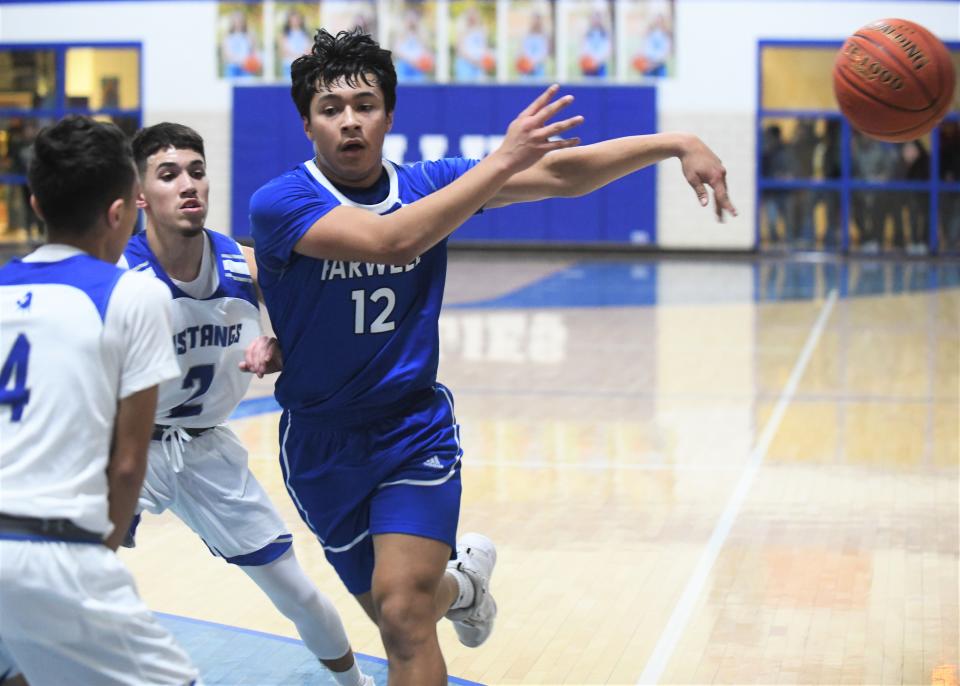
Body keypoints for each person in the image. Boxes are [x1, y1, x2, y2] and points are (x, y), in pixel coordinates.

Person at [248, 28, 734, 686]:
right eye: (330, 109)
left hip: (410, 431)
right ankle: (466, 587)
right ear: (307, 124)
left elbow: (563, 174)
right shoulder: (283, 201)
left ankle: (449, 590)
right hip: (320, 445)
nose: (349, 121)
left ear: (389, 115)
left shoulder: (427, 182)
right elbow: (392, 241)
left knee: (404, 617)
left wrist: (676, 142)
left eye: (364, 104)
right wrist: (496, 164)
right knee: (397, 609)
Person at [120, 122, 373, 686]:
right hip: (126, 446)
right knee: (64, 570)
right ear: (140, 195)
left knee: (296, 591)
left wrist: (285, 345)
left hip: (208, 451)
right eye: (168, 175)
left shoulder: (242, 263)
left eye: (197, 171)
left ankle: (356, 683)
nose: (188, 185)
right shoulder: (119, 276)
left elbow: (320, 317)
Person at [0, 115, 198, 685]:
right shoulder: (133, 293)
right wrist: (96, 560)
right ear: (121, 212)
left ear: (36, 204)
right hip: (54, 550)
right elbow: (130, 462)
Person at [279, 9, 311, 78]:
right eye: (293, 19)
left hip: (303, 65)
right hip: (289, 65)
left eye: (297, 19)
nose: (295, 21)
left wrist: (302, 57)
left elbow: (309, 49)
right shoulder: (284, 34)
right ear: (289, 21)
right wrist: (298, 56)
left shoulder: (305, 34)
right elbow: (284, 51)